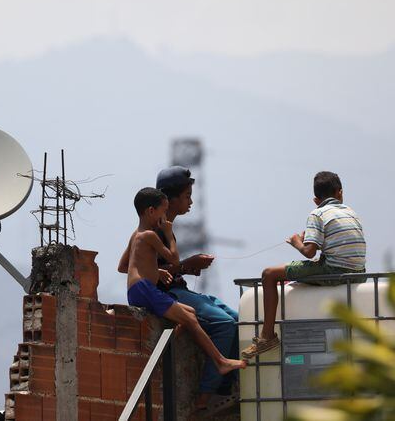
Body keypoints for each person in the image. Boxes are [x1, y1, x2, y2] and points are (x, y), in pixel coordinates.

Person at [118, 187, 247, 378]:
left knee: (190, 313)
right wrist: (169, 234)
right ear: (151, 211)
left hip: (138, 288)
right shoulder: (151, 235)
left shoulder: (136, 235)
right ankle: (221, 362)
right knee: (189, 318)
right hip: (144, 290)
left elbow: (123, 266)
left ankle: (168, 345)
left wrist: (156, 270)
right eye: (163, 212)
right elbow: (174, 260)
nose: (165, 219)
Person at [241, 171, 366, 359]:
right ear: (340, 193)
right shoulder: (351, 212)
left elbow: (309, 252)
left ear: (316, 200)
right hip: (359, 272)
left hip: (334, 271)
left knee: (269, 274)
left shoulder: (317, 214)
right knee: (306, 269)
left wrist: (296, 241)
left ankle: (267, 337)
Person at [155, 166, 242, 411]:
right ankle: (206, 398)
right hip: (168, 295)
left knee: (236, 319)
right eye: (186, 196)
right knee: (223, 324)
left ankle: (226, 390)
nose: (191, 201)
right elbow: (147, 274)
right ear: (169, 199)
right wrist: (186, 265)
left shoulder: (168, 226)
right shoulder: (154, 230)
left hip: (179, 289)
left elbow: (167, 267)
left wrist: (185, 267)